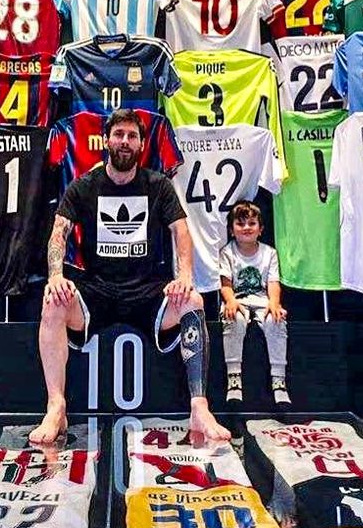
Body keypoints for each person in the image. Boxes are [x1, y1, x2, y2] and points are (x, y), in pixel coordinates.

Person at [30, 108, 230, 445]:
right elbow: (58, 232)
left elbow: (181, 231)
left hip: (148, 291)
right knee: (53, 303)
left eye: (132, 136)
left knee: (193, 302)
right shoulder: (84, 186)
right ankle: (56, 406)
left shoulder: (158, 185)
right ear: (106, 140)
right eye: (119, 134)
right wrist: (55, 275)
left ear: (141, 144)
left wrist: (185, 275)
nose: (125, 141)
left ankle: (199, 406)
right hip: (97, 290)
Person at [219, 200, 291, 405]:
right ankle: (234, 378)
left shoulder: (269, 253)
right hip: (237, 300)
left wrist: (274, 303)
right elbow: (225, 283)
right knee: (234, 319)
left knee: (275, 320)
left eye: (251, 223)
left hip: (262, 300)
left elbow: (273, 282)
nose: (246, 228)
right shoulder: (227, 252)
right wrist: (230, 301)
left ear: (261, 229)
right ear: (232, 230)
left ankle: (279, 380)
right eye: (240, 224)